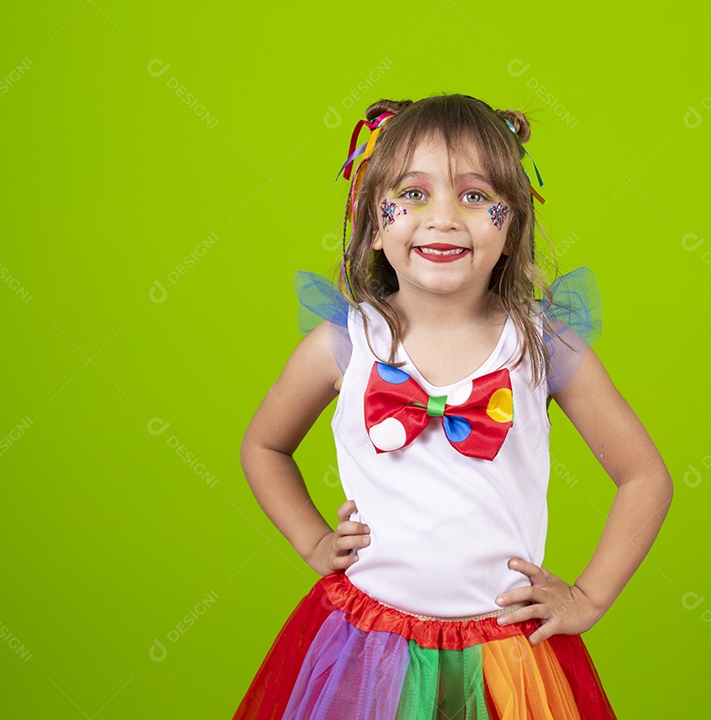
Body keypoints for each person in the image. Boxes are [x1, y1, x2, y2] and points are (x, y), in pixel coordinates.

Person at [231, 93, 673, 719]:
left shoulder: (541, 345)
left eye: (473, 196)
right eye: (412, 194)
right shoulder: (343, 344)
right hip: (367, 643)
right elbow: (264, 446)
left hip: (508, 656)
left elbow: (645, 477)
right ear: (374, 224)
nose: (443, 218)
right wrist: (312, 541)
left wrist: (587, 598)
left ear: (511, 222)